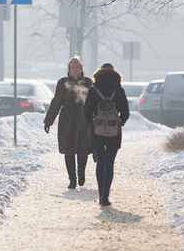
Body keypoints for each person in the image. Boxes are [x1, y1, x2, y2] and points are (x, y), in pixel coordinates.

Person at [43, 56, 93, 190]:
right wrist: (49, 120)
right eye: (73, 67)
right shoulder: (62, 83)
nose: (75, 70)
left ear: (81, 68)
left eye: (78, 67)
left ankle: (81, 174)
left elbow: (93, 102)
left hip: (84, 120)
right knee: (69, 151)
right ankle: (72, 179)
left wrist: (94, 119)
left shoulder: (88, 82)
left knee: (83, 150)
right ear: (69, 69)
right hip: (67, 121)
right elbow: (56, 102)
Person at [83, 63, 129, 206]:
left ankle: (100, 193)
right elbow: (126, 113)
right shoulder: (119, 90)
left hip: (97, 131)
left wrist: (92, 123)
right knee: (109, 164)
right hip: (113, 132)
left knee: (100, 162)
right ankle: (105, 196)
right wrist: (119, 122)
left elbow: (86, 112)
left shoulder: (93, 89)